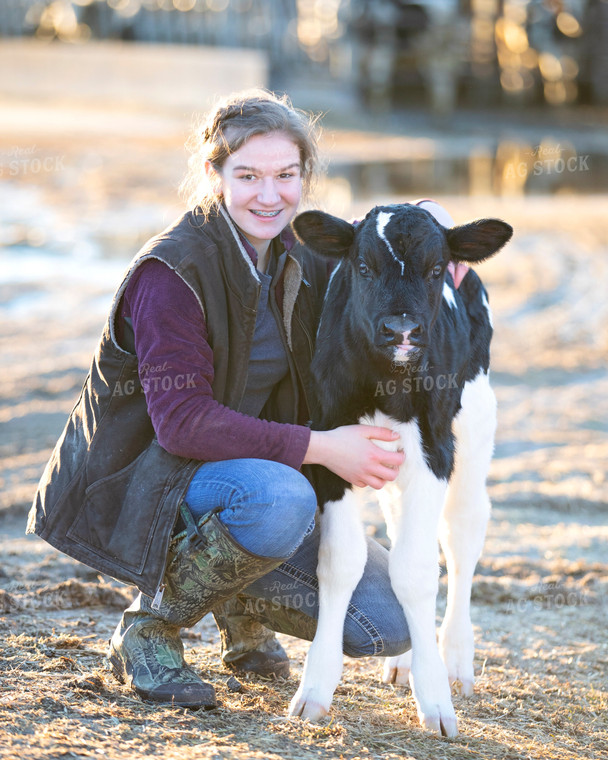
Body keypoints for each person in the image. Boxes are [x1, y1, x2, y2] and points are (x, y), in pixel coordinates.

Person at [27, 89, 458, 711]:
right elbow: (181, 426)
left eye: (287, 176)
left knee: (384, 622)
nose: (269, 195)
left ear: (305, 178)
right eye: (248, 175)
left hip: (250, 480)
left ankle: (236, 600)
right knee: (282, 496)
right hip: (149, 484)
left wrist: (427, 219)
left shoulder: (302, 256)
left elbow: (373, 242)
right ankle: (150, 627)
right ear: (214, 174)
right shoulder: (171, 272)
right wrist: (320, 446)